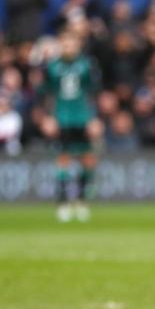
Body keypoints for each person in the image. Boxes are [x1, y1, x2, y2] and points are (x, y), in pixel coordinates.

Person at [41, 30, 101, 222]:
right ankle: (63, 202)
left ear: (78, 45)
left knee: (88, 158)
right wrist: (48, 117)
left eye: (71, 44)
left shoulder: (86, 65)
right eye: (65, 44)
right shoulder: (52, 67)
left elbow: (93, 93)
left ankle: (82, 201)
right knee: (63, 158)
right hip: (62, 117)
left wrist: (94, 118)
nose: (68, 48)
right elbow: (47, 94)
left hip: (82, 117)